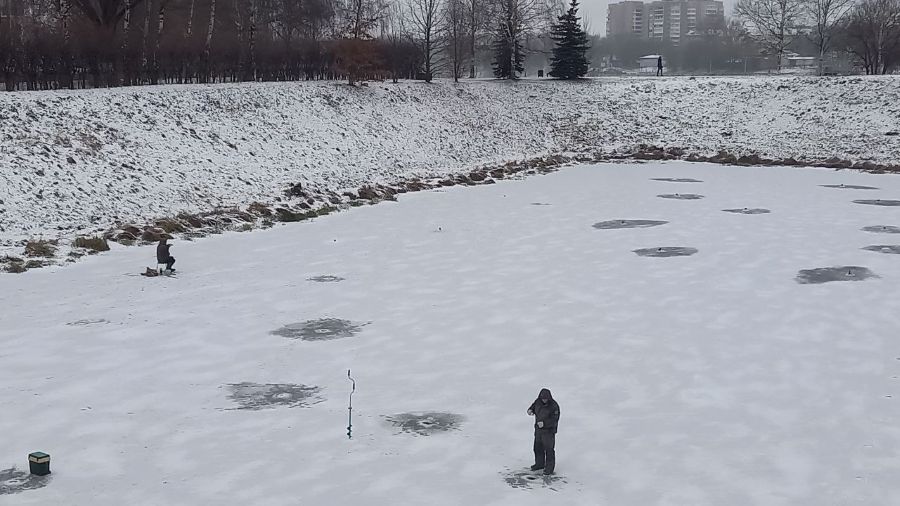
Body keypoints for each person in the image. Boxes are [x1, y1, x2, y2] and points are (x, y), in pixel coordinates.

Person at [527, 388, 560, 475]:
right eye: (543, 399)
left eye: (546, 399)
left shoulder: (554, 406)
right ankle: (539, 464)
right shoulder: (538, 401)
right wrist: (530, 410)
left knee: (549, 450)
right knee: (537, 448)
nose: (544, 400)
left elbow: (554, 420)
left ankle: (549, 469)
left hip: (549, 432)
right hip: (538, 431)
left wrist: (544, 424)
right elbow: (533, 407)